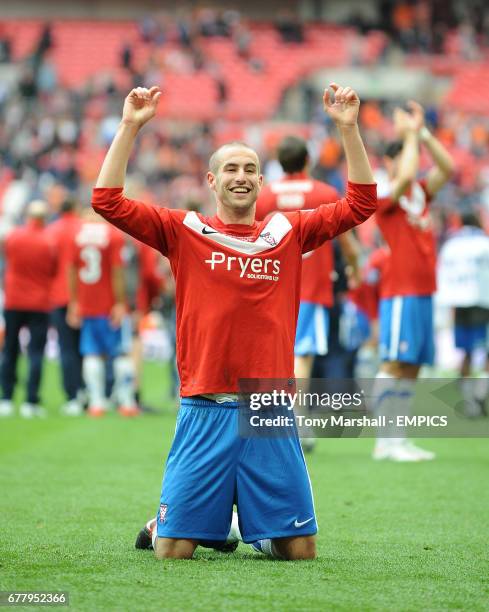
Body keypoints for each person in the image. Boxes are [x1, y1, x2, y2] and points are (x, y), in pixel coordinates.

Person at [92, 83, 376, 560]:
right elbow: (107, 200)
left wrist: (348, 130)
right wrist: (130, 126)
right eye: (231, 168)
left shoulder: (287, 232)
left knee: (300, 552)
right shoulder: (184, 231)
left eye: (249, 169)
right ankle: (180, 520)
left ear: (262, 183)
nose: (240, 176)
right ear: (211, 180)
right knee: (173, 552)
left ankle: (249, 524)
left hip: (267, 407)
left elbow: (362, 204)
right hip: (206, 404)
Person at [256, 135, 359, 451]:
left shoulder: (264, 195)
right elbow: (344, 239)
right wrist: (354, 267)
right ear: (307, 161)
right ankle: (296, 417)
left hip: (270, 285)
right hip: (310, 286)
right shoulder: (324, 192)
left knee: (272, 352)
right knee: (302, 353)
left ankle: (267, 417)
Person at [372, 101, 454, 461]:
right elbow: (404, 175)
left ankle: (399, 438)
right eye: (407, 155)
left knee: (413, 365)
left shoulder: (420, 191)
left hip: (423, 289)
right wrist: (408, 138)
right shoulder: (383, 192)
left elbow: (447, 167)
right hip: (401, 289)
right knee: (393, 363)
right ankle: (383, 441)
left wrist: (421, 134)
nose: (413, 161)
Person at [67, 209, 138, 418]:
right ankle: (126, 401)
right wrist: (120, 303)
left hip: (88, 304)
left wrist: (74, 302)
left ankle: (97, 402)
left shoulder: (77, 235)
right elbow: (117, 270)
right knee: (121, 353)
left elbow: (71, 270)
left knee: (92, 353)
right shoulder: (113, 234)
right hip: (109, 306)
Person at [0, 200, 56, 418]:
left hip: (14, 299)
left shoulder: (14, 236)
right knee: (35, 352)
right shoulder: (49, 241)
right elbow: (53, 269)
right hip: (40, 302)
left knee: (10, 350)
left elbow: (8, 261)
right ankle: (31, 401)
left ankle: (6, 397)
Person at [437, 209, 489, 416]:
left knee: (466, 352)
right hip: (482, 302)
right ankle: (480, 394)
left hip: (458, 303)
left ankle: (469, 401)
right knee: (486, 351)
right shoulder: (484, 243)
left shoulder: (451, 245)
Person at [47, 196, 84, 416]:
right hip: (87, 297)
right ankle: (91, 392)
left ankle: (72, 395)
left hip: (58, 296)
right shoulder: (83, 228)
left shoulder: (52, 231)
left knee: (67, 348)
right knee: (87, 349)